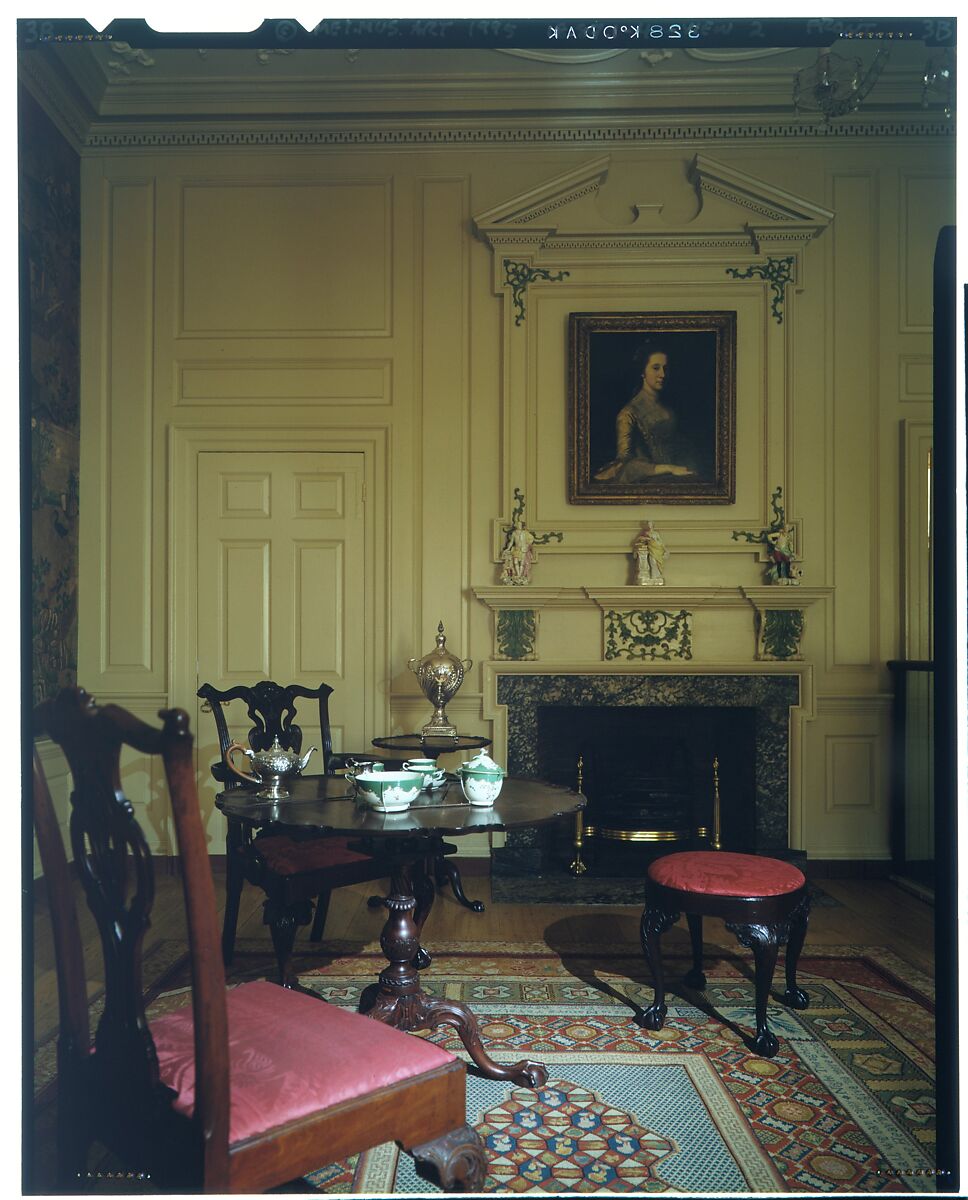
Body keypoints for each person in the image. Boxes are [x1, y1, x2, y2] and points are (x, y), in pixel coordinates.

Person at [594, 345, 695, 484]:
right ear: (643, 371)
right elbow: (625, 464)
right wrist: (668, 468)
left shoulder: (669, 409)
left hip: (675, 477)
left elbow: (680, 447)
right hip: (645, 482)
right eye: (656, 368)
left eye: (666, 368)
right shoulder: (628, 413)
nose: (663, 374)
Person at [501, 514, 536, 585]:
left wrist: (527, 545)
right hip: (516, 549)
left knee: (522, 563)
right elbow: (511, 542)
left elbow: (531, 539)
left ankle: (520, 575)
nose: (519, 526)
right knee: (515, 562)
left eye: (520, 525)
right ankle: (517, 574)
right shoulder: (514, 533)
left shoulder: (525, 533)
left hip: (523, 549)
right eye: (518, 524)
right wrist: (508, 548)